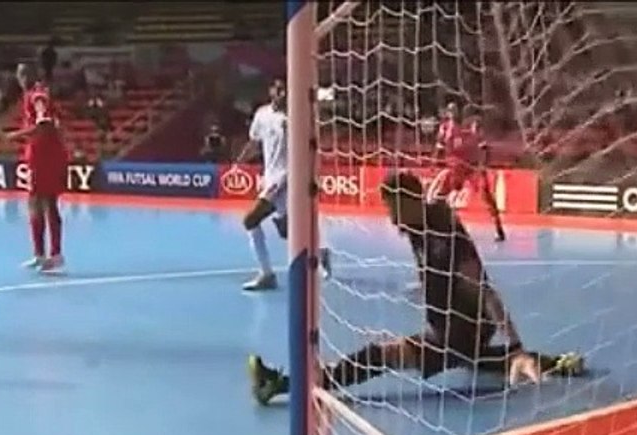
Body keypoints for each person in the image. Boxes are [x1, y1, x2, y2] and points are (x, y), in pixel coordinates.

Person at [248, 171, 585, 405]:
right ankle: (558, 363)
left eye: (393, 208)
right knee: (478, 361)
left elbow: (484, 289)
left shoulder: (445, 236)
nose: (391, 218)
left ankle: (286, 385)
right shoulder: (418, 225)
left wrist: (516, 343)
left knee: (383, 354)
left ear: (409, 202)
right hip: (450, 328)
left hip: (459, 330)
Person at [233, 79, 332, 292]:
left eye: (285, 89)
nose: (281, 93)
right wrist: (239, 161)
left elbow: (310, 144)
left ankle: (267, 274)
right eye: (277, 89)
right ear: (271, 91)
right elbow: (254, 141)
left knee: (250, 220)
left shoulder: (296, 115)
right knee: (287, 232)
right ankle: (321, 251)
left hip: (287, 179)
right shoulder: (262, 114)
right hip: (270, 177)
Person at [8, 61, 69, 273]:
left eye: (24, 73)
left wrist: (16, 135)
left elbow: (44, 123)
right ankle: (40, 254)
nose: (20, 77)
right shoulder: (32, 95)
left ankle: (55, 253)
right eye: (19, 74)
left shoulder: (38, 95)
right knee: (35, 202)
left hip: (46, 155)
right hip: (38, 155)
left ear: (33, 74)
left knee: (47, 202)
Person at [429, 103, 507, 244]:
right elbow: (439, 147)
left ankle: (499, 229)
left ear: (460, 112)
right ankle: (437, 227)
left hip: (472, 168)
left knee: (486, 195)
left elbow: (485, 148)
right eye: (450, 111)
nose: (453, 114)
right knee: (439, 197)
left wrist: (482, 166)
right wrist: (434, 163)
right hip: (455, 168)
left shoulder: (472, 126)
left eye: (455, 110)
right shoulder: (445, 128)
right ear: (448, 113)